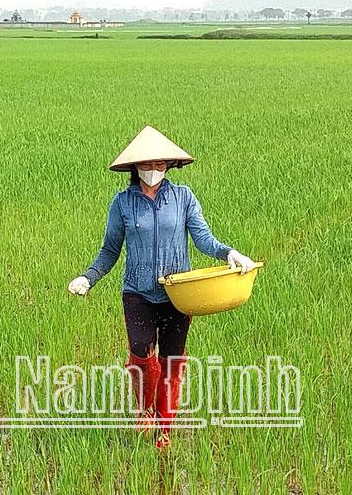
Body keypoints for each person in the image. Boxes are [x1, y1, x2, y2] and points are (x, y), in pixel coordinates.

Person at [67, 125, 256, 449]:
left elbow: (203, 239)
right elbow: (110, 249)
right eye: (146, 164)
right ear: (135, 167)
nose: (153, 170)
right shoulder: (123, 203)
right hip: (137, 293)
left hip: (178, 296)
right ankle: (146, 410)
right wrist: (89, 277)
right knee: (141, 353)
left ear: (168, 165)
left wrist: (230, 253)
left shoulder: (183, 198)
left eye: (159, 164)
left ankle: (164, 424)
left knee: (172, 360)